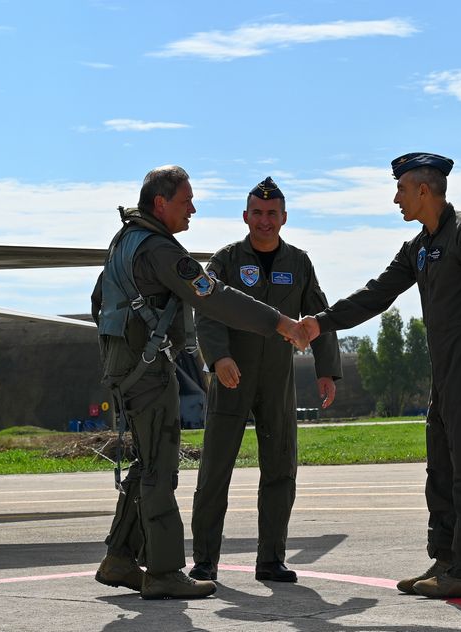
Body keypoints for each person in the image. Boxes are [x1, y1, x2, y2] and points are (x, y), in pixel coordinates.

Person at [300, 152, 461, 599]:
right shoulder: (419, 247)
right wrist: (321, 321)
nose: (396, 198)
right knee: (441, 470)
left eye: (400, 189)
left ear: (422, 189)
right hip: (444, 377)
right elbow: (376, 294)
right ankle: (447, 559)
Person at [90, 165, 309, 600]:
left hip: (127, 365)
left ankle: (119, 557)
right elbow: (216, 297)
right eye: (186, 201)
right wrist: (279, 322)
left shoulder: (125, 241)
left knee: (145, 462)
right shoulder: (158, 249)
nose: (193, 208)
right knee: (159, 470)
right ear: (160, 204)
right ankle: (166, 571)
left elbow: (99, 299)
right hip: (147, 370)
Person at [189, 177, 342, 584]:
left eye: (272, 214)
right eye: (257, 212)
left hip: (278, 379)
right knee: (215, 470)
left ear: (284, 218)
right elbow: (206, 309)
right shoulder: (225, 260)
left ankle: (271, 559)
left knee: (280, 469)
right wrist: (218, 357)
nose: (264, 220)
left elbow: (319, 316)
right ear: (245, 216)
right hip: (231, 376)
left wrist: (327, 370)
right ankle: (204, 560)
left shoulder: (299, 263)